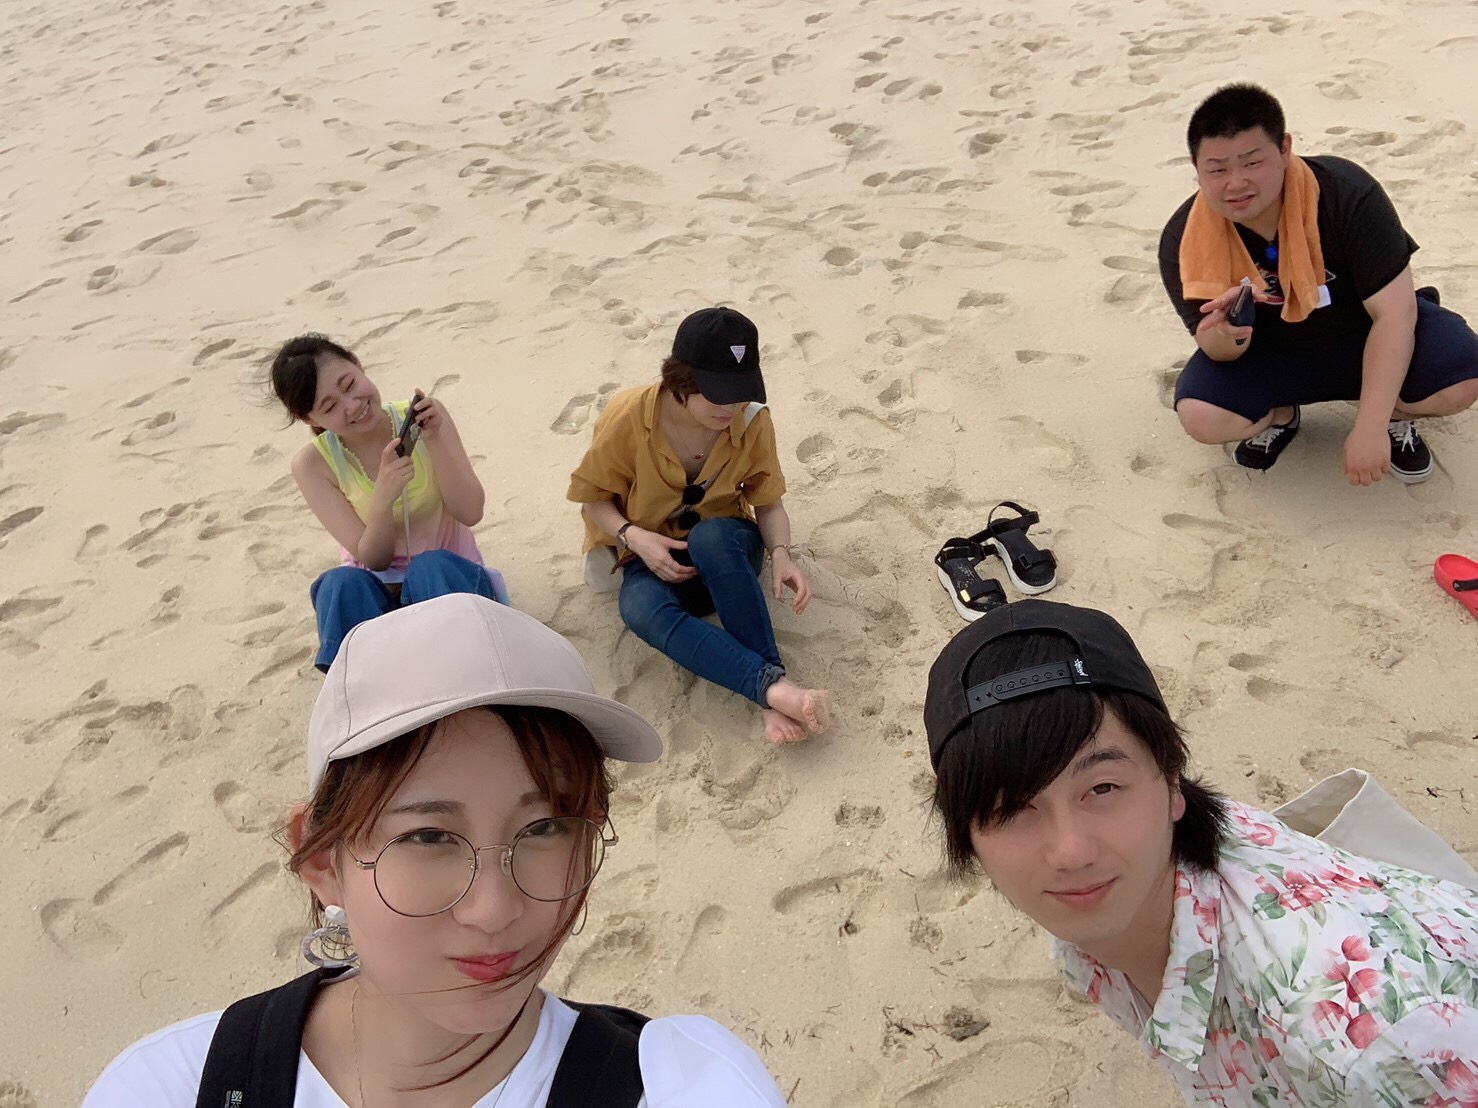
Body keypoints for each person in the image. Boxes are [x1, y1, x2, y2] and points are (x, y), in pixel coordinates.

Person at [83, 594, 790, 1107]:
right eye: (428, 837)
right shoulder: (174, 1086)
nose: (495, 910)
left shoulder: (675, 1085)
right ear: (322, 860)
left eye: (547, 827)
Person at [923, 599, 1478, 1106]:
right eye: (1011, 808)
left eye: (1102, 788)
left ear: (1172, 784)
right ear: (967, 837)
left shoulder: (1372, 1044)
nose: (1070, 852)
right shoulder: (1126, 897)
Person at [1160, 84, 1478, 483]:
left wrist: (1370, 428)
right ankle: (1282, 415)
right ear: (1196, 167)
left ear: (1284, 149)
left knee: (1463, 378)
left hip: (1362, 332)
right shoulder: (1184, 239)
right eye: (1218, 169)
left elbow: (1395, 315)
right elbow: (1218, 350)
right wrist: (1224, 333)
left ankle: (1394, 415)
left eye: (1252, 162)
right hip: (1272, 351)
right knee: (1202, 416)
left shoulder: (1348, 195)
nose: (1236, 183)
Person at [567, 307, 831, 745]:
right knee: (639, 608)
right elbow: (593, 496)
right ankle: (775, 692)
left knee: (711, 536)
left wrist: (782, 555)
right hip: (650, 553)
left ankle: (770, 688)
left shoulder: (752, 420)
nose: (732, 407)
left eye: (740, 393)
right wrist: (635, 537)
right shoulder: (629, 415)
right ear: (681, 380)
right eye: (718, 395)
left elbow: (768, 503)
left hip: (726, 549)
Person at [269, 334, 502, 671]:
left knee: (429, 566)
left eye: (349, 384)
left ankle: (464, 672)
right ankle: (357, 685)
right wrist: (381, 500)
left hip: (448, 584)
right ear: (310, 420)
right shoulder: (312, 465)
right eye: (330, 407)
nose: (352, 405)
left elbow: (470, 511)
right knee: (338, 584)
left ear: (357, 363)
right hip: (376, 598)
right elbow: (375, 559)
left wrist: (434, 439)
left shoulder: (426, 418)